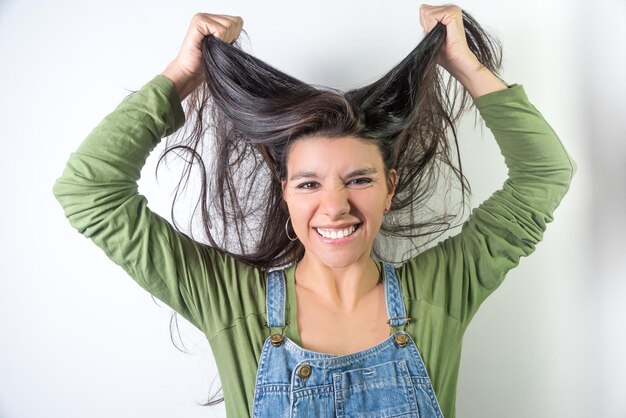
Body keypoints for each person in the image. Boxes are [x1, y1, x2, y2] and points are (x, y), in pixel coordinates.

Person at [52, 4, 576, 418]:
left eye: (359, 179)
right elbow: (88, 191)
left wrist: (464, 62)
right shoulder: (228, 300)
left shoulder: (442, 289)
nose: (335, 206)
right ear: (285, 193)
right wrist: (182, 74)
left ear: (389, 187)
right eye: (309, 183)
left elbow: (544, 176)